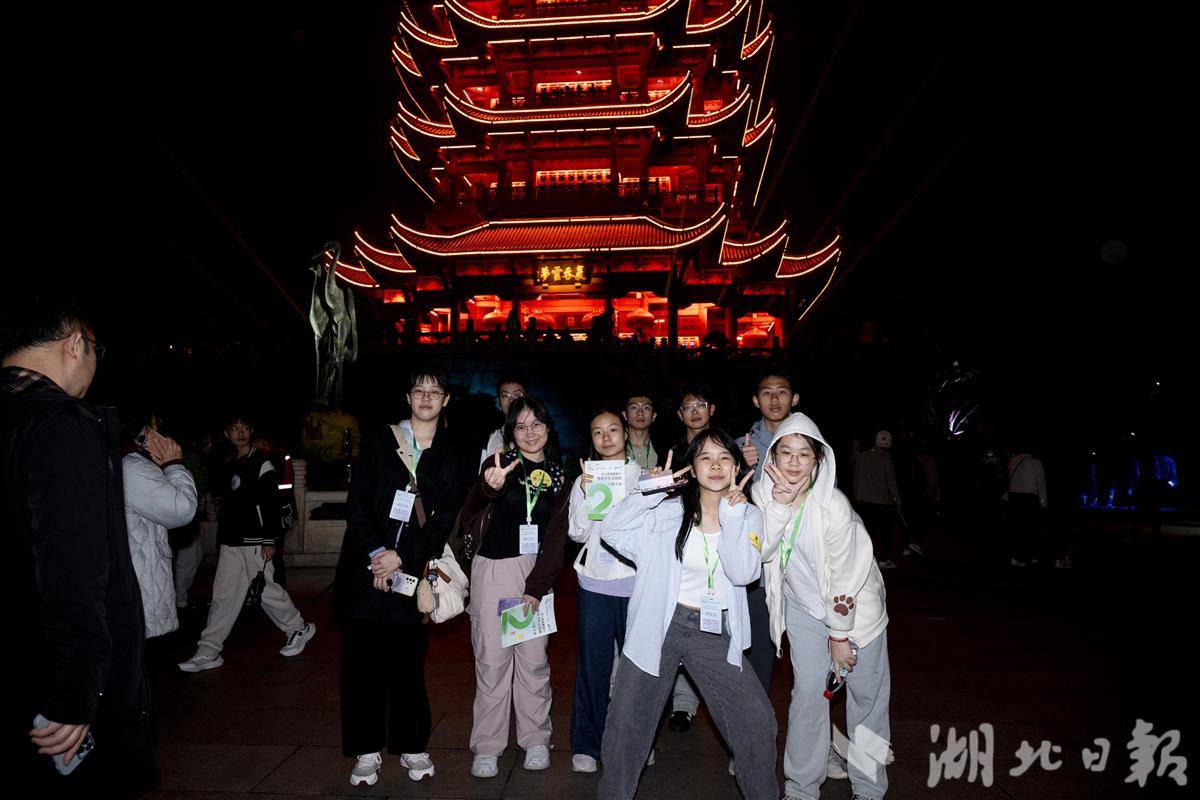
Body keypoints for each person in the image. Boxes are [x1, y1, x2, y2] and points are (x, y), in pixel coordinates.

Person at [2, 303, 155, 795]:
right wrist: (77, 689)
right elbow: (74, 564)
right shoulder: (60, 423)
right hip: (49, 673)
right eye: (95, 350)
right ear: (75, 344)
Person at [597, 431, 778, 800]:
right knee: (626, 727)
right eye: (705, 457)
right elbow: (611, 530)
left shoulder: (749, 515)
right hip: (661, 626)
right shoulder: (666, 512)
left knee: (757, 720)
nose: (715, 465)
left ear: (736, 467)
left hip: (714, 632)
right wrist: (650, 491)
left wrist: (731, 516)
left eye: (724, 457)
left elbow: (744, 573)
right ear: (692, 469)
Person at [333, 367, 473, 786]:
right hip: (365, 569)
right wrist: (378, 554)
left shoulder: (453, 454)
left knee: (408, 666)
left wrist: (400, 558)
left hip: (411, 573)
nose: (426, 397)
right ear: (408, 397)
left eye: (435, 390)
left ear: (446, 400)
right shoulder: (381, 442)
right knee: (361, 668)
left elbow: (442, 522)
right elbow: (357, 503)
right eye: (419, 390)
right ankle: (366, 750)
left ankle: (412, 745)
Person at [753, 412, 892, 800]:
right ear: (773, 456)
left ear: (818, 459)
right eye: (786, 453)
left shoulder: (833, 505)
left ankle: (869, 789)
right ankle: (800, 788)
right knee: (807, 699)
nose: (794, 462)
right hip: (803, 609)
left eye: (804, 454)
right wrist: (778, 507)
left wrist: (840, 636)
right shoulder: (762, 494)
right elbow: (760, 553)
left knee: (867, 702)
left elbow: (847, 577)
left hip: (856, 613)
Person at [460, 396, 570, 778]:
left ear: (548, 428)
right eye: (520, 426)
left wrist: (537, 586)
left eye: (536, 424)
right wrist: (489, 486)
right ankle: (487, 746)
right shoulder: (499, 463)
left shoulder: (559, 476)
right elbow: (474, 505)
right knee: (492, 662)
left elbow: (557, 537)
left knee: (533, 662)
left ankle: (536, 739)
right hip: (493, 570)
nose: (529, 433)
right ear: (510, 432)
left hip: (534, 573)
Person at [177, 412, 315, 672]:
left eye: (245, 428)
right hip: (231, 541)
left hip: (255, 541)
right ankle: (208, 651)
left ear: (251, 431)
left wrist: (269, 540)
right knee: (223, 596)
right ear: (227, 433)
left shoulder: (262, 463)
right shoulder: (231, 464)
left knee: (266, 591)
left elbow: (271, 503)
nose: (240, 433)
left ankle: (299, 628)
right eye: (235, 428)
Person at [567, 409, 643, 774]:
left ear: (625, 433)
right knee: (592, 665)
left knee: (636, 670)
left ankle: (635, 742)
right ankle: (586, 744)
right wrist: (585, 493)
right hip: (595, 582)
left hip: (635, 583)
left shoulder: (642, 477)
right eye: (598, 432)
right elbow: (577, 533)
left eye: (613, 429)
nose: (606, 437)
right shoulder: (585, 477)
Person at [123, 420, 198, 638]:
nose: (161, 439)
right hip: (139, 585)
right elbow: (182, 509)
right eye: (151, 432)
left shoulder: (124, 461)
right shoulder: (134, 467)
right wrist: (174, 466)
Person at [739, 368, 801, 481]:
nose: (774, 399)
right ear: (756, 401)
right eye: (766, 393)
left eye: (782, 392)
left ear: (794, 399)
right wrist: (743, 467)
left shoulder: (812, 442)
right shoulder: (741, 447)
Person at [853, 431, 902, 569]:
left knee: (866, 532)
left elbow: (856, 478)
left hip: (864, 500)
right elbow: (891, 482)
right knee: (885, 533)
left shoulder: (862, 456)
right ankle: (883, 559)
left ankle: (861, 559)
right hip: (882, 502)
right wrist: (898, 500)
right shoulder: (887, 460)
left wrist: (857, 495)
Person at [1005, 447, 1047, 567]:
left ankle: (1016, 556)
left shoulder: (1013, 460)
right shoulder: (1036, 462)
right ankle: (1028, 556)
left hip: (1014, 496)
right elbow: (1041, 483)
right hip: (1029, 498)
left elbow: (1009, 478)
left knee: (1016, 528)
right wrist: (1043, 502)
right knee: (1030, 528)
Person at [480, 374, 526, 466]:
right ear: (499, 401)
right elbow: (483, 471)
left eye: (517, 395)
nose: (511, 400)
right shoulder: (491, 438)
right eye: (505, 395)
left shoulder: (539, 435)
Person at [622, 389, 663, 470]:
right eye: (634, 407)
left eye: (646, 408)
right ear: (625, 415)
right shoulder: (614, 447)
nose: (640, 413)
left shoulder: (665, 448)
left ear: (653, 416)